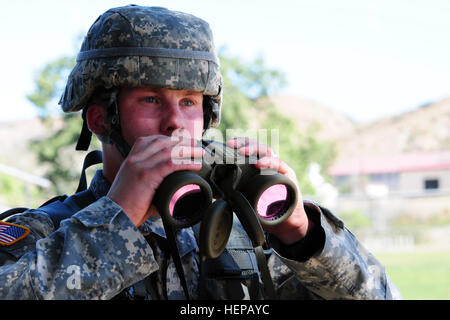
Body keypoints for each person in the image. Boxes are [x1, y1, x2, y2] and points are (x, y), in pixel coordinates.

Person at [0, 5, 401, 300]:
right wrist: (115, 222)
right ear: (101, 118)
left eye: (190, 102)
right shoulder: (39, 239)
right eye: (151, 100)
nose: (176, 122)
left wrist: (303, 234)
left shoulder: (244, 235)